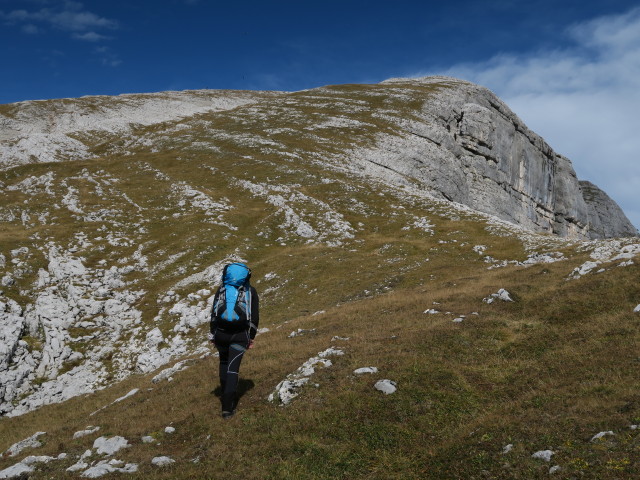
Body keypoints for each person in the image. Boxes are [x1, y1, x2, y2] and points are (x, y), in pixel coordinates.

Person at [209, 262, 259, 419]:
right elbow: (255, 317)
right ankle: (227, 408)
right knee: (233, 369)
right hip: (239, 335)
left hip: (221, 334)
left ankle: (225, 397)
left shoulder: (222, 290)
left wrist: (213, 334)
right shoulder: (250, 291)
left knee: (223, 363)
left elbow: (214, 314)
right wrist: (251, 336)